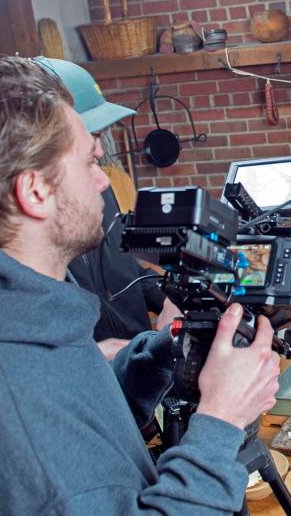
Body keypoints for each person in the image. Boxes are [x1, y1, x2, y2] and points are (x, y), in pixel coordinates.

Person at [0, 57, 281, 515]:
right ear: (35, 192)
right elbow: (42, 441)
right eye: (89, 161)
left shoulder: (9, 307)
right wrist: (221, 419)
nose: (103, 180)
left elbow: (76, 427)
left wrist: (158, 356)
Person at [32, 57, 180, 360]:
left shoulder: (98, 184)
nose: (99, 151)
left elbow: (123, 268)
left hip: (138, 368)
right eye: (93, 137)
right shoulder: (22, 241)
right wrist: (96, 355)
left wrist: (172, 297)